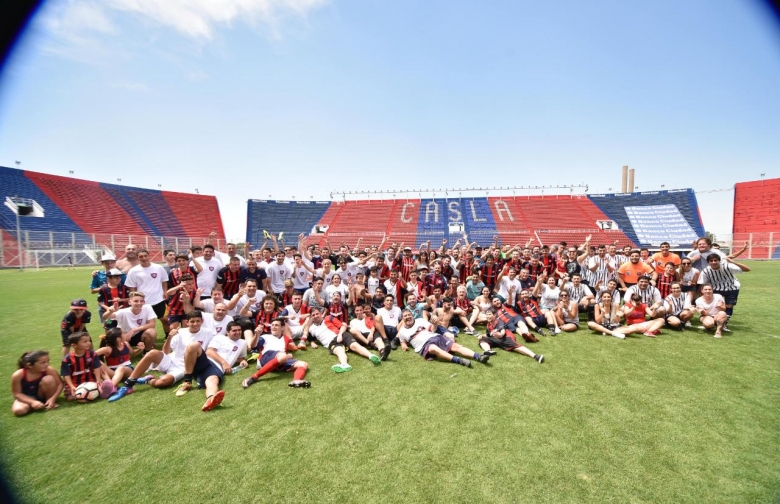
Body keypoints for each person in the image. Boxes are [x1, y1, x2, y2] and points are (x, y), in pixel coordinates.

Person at [108, 310, 215, 401]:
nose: (195, 324)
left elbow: (213, 349)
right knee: (153, 353)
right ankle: (128, 385)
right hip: (171, 360)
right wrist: (169, 338)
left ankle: (146, 380)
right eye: (192, 321)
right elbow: (165, 352)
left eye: (198, 321)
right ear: (187, 322)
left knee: (164, 382)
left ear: (202, 321)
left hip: (183, 368)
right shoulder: (180, 332)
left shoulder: (208, 333)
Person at [174, 322, 249, 411]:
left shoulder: (243, 343)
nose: (238, 332)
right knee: (194, 345)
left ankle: (211, 399)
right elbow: (209, 352)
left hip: (216, 369)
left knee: (213, 381)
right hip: (207, 361)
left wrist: (242, 360)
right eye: (234, 330)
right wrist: (224, 363)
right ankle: (187, 381)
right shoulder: (219, 337)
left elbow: (240, 357)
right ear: (228, 332)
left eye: (239, 330)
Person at [397, 310, 491, 367]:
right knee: (433, 348)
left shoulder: (420, 321)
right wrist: (404, 346)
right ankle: (458, 360)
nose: (408, 317)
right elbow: (403, 343)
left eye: (409, 315)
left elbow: (433, 329)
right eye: (405, 316)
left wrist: (434, 323)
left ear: (412, 315)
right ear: (402, 318)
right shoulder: (402, 332)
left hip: (434, 336)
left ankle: (479, 356)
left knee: (456, 346)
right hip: (424, 345)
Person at [302, 307, 381, 372]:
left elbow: (343, 326)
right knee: (339, 351)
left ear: (320, 314)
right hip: (331, 342)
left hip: (341, 335)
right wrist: (312, 342)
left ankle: (371, 356)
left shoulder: (329, 318)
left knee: (354, 346)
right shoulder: (311, 328)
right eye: (313, 315)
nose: (316, 316)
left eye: (317, 314)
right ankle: (344, 365)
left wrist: (340, 335)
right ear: (311, 317)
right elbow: (310, 337)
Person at [242, 318, 310, 389]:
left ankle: (296, 380)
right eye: (272, 325)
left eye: (276, 325)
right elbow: (252, 346)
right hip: (265, 357)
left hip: (279, 359)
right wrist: (256, 335)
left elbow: (293, 347)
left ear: (282, 328)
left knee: (303, 364)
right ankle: (254, 377)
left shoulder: (286, 338)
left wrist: (290, 354)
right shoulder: (265, 337)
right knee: (283, 356)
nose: (273, 327)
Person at [698, 253, 750, 329]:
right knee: (716, 306)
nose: (713, 262)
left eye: (715, 260)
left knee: (729, 306)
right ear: (708, 262)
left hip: (732, 287)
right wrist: (702, 294)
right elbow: (702, 283)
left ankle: (723, 324)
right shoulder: (706, 271)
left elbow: (747, 269)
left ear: (719, 261)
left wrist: (733, 262)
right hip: (717, 289)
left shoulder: (727, 266)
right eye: (711, 261)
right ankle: (711, 321)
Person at [124, 248, 169, 332]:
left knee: (165, 320)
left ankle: (168, 337)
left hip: (159, 299)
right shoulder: (133, 271)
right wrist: (134, 299)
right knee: (146, 323)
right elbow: (132, 287)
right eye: (141, 256)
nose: (144, 258)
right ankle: (149, 341)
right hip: (143, 302)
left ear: (149, 256)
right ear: (137, 258)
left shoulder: (158, 267)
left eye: (145, 256)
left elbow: (164, 280)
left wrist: (165, 291)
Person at [479, 309, 544, 363]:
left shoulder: (499, 321)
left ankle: (535, 356)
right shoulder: (488, 324)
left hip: (506, 337)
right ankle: (489, 351)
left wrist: (500, 335)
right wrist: (481, 335)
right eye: (486, 315)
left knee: (515, 346)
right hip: (497, 339)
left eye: (490, 314)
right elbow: (488, 335)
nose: (487, 316)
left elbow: (502, 331)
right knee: (482, 340)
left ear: (495, 315)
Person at [11, 351, 62, 416]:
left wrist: (53, 398)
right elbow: (17, 393)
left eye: (47, 361)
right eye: (43, 363)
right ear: (29, 365)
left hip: (42, 394)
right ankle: (36, 404)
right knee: (19, 411)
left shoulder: (48, 369)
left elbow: (60, 384)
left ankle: (48, 401)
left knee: (49, 379)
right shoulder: (18, 374)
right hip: (27, 397)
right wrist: (32, 402)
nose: (47, 364)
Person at [61, 333, 107, 401]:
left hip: (91, 381)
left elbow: (96, 367)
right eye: (85, 342)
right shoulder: (67, 359)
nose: (88, 343)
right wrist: (71, 386)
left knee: (101, 390)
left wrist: (98, 379)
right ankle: (71, 391)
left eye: (89, 341)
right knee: (71, 398)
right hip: (75, 383)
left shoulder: (92, 354)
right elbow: (66, 375)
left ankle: (106, 386)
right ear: (74, 345)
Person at [94, 328, 139, 393]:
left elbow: (133, 353)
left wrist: (140, 349)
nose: (125, 334)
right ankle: (112, 385)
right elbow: (91, 356)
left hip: (127, 370)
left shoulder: (126, 344)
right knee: (98, 363)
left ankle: (110, 386)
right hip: (113, 372)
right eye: (123, 333)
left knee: (121, 368)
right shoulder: (108, 349)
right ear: (118, 339)